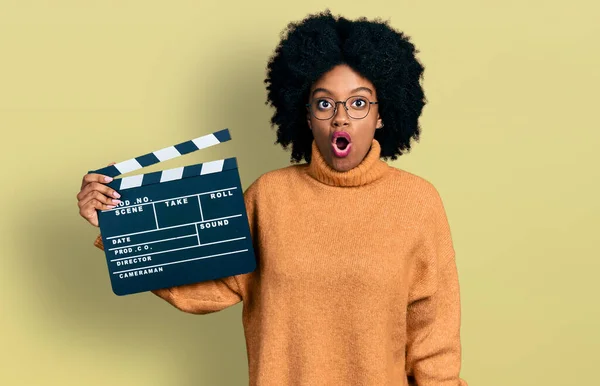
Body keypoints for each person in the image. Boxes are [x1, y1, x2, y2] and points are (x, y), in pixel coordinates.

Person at [76, 10, 467, 386]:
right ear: (307, 113)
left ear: (383, 115)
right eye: (325, 103)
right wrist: (115, 219)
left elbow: (434, 341)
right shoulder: (269, 196)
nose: (341, 118)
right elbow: (205, 286)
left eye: (359, 102)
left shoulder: (417, 202)